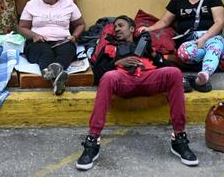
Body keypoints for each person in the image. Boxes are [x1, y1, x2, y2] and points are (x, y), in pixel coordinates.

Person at [76, 15, 198, 170]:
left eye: (121, 25)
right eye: (115, 27)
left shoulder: (144, 46)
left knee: (174, 73)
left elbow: (166, 66)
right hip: (124, 80)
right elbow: (97, 75)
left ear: (132, 29)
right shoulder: (109, 47)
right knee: (108, 76)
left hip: (148, 78)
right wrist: (116, 62)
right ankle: (93, 139)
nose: (117, 29)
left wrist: (153, 54)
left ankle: (179, 137)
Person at [140, 0, 224, 92]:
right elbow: (165, 21)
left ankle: (204, 75)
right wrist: (148, 28)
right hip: (190, 40)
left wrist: (204, 38)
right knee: (184, 53)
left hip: (211, 36)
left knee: (214, 46)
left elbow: (220, 22)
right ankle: (211, 57)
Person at [18, 0, 86, 95]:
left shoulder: (68, 4)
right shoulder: (32, 4)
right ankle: (57, 78)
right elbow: (22, 27)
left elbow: (80, 24)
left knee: (67, 51)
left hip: (62, 41)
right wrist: (34, 35)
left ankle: (52, 73)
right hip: (38, 43)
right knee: (45, 52)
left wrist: (74, 36)